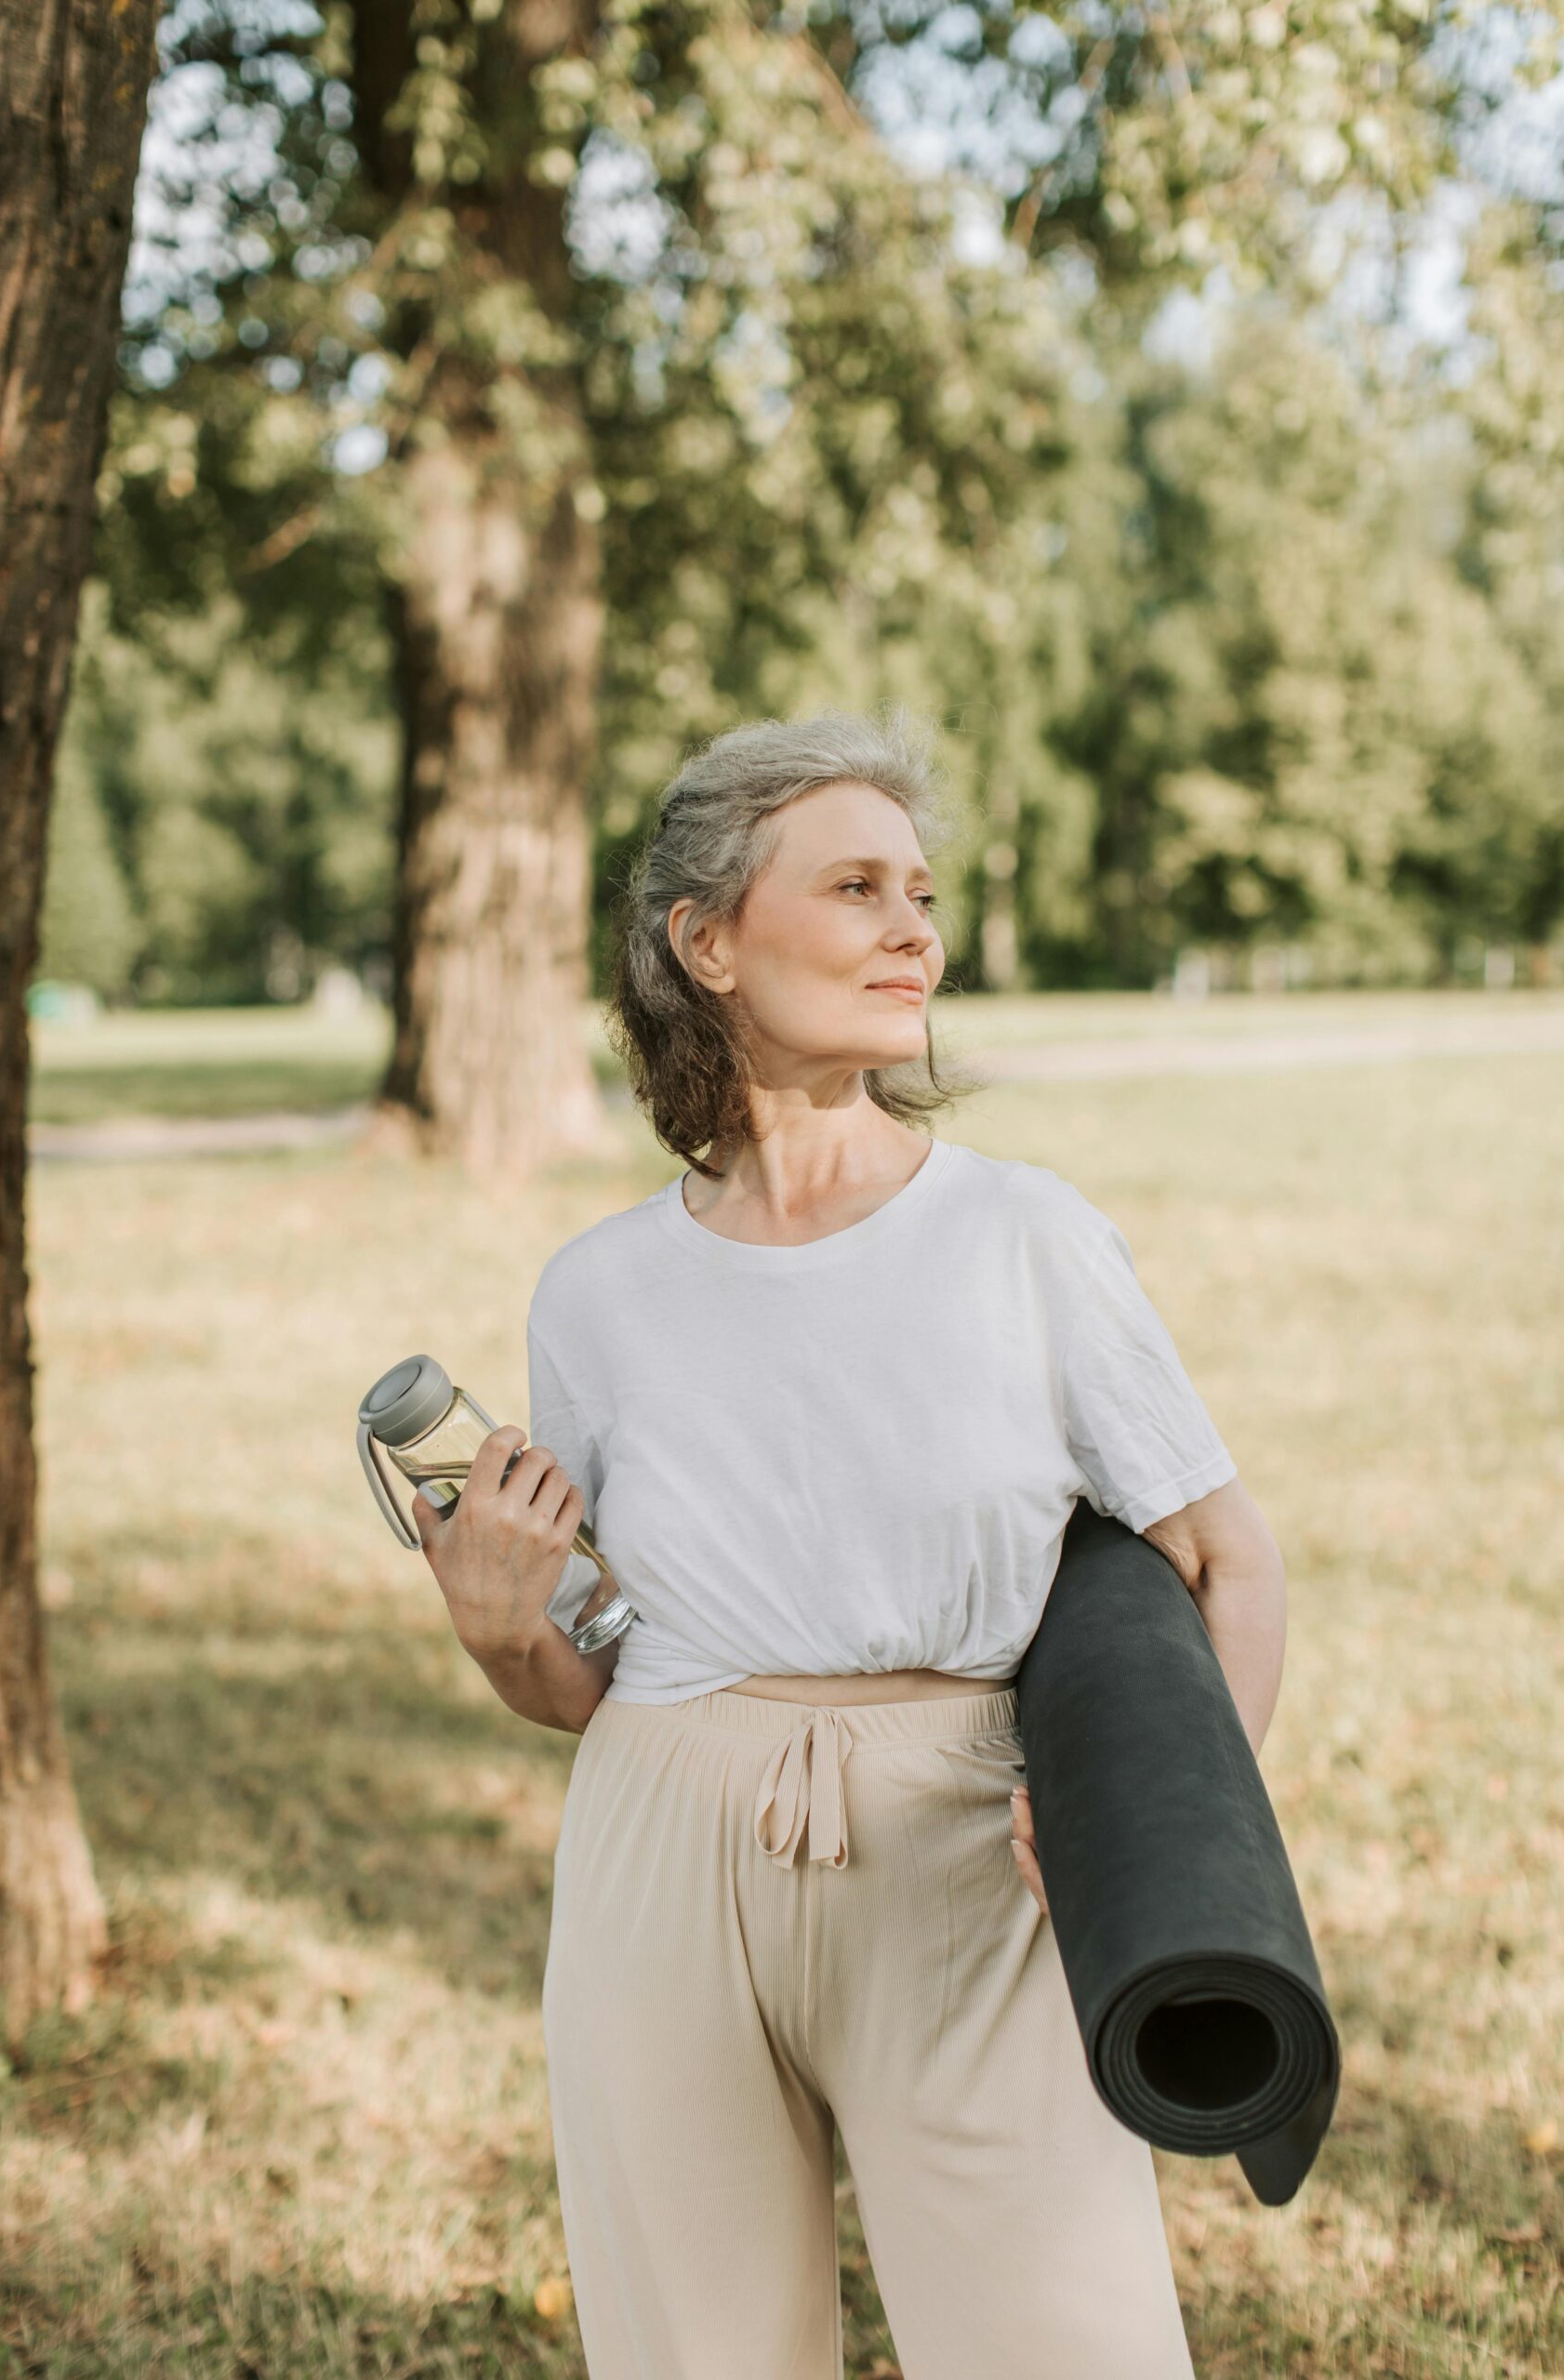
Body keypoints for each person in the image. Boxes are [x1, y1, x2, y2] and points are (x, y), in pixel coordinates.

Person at [411, 707, 1288, 2380]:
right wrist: (501, 1627)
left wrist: (1164, 1859)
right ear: (709, 940)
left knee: (1066, 2346)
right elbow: (580, 1679)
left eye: (924, 895)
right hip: (662, 1837)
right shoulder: (597, 1293)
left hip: (973, 1839)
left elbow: (1226, 1556)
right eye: (859, 887)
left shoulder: (1024, 1237)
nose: (914, 931)